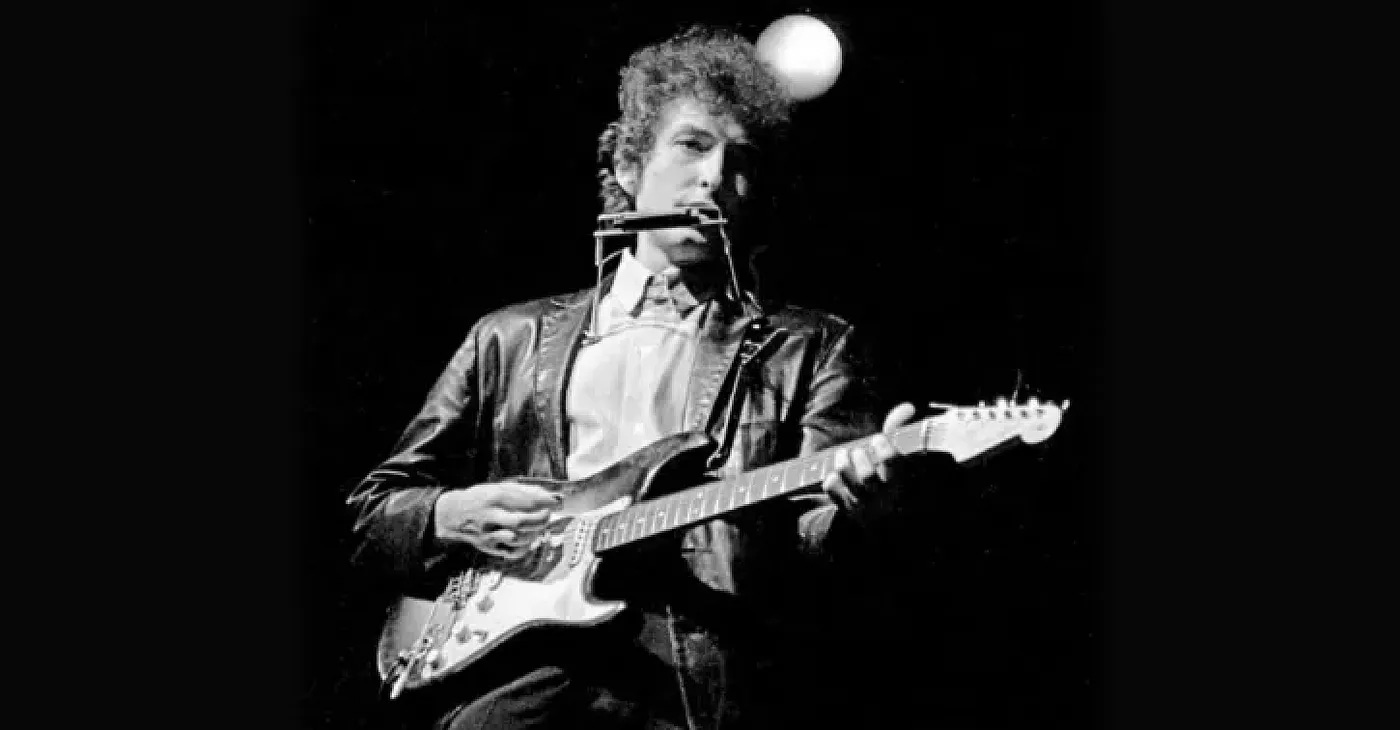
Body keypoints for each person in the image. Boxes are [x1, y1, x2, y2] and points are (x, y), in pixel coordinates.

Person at [346, 24, 943, 730]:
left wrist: (863, 512)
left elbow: (810, 544)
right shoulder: (509, 336)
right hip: (513, 671)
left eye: (741, 162)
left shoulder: (807, 346)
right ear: (630, 168)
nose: (714, 177)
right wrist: (450, 514)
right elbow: (374, 512)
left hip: (689, 678)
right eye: (692, 145)